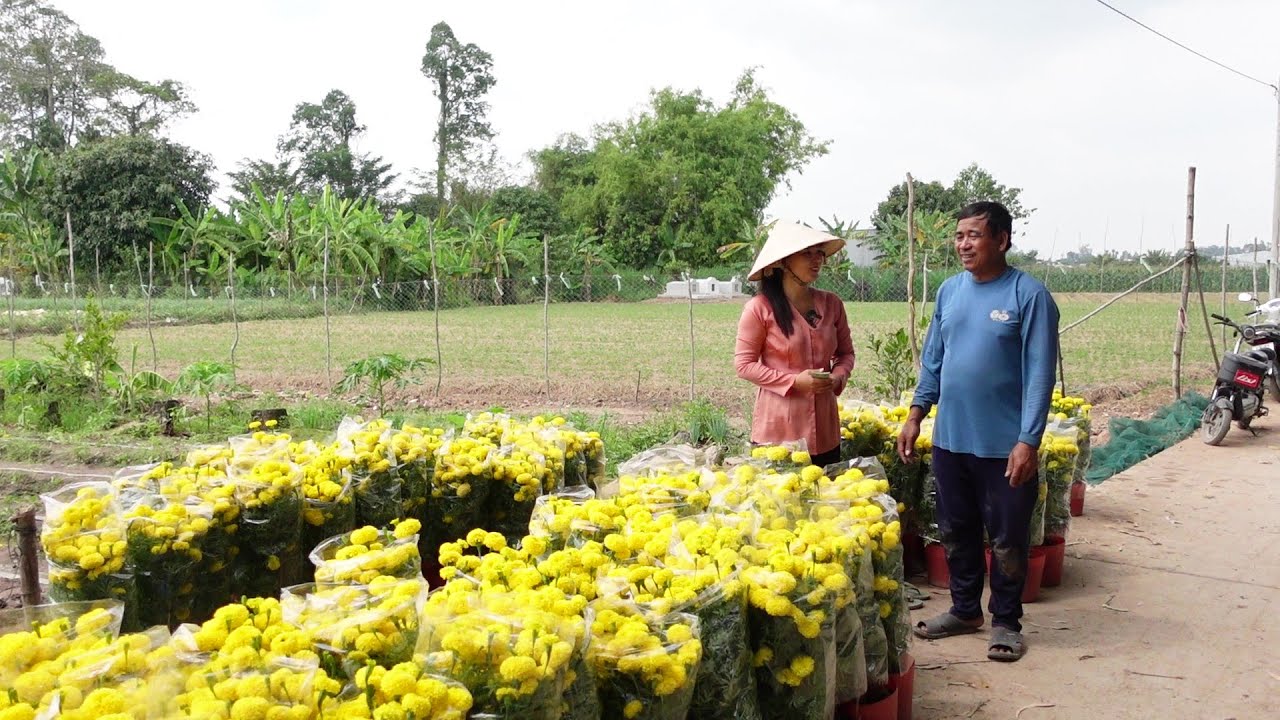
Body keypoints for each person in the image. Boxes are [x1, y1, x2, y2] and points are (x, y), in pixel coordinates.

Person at [896, 201, 1059, 663]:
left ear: (1002, 240)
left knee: (1008, 538)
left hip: (1005, 447)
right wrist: (915, 413)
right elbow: (933, 361)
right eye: (959, 236)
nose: (964, 245)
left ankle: (1006, 622)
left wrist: (1028, 439)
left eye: (974, 236)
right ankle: (965, 610)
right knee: (956, 529)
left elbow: (1040, 374)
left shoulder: (1028, 296)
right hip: (951, 442)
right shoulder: (949, 293)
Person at [735, 222, 855, 467]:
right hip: (778, 433)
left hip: (825, 429)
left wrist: (838, 376)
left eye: (820, 252)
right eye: (807, 253)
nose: (817, 260)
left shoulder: (832, 304)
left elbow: (846, 353)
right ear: (783, 261)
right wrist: (793, 382)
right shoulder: (759, 309)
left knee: (826, 501)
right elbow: (744, 364)